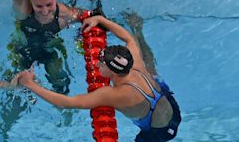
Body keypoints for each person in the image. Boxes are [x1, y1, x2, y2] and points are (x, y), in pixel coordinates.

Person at [18, 15, 181, 141]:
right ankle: (139, 28)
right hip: (170, 104)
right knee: (150, 68)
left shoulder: (114, 94)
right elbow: (129, 38)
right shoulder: (134, 62)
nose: (96, 65)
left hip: (157, 130)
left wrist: (29, 84)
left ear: (114, 72)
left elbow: (65, 102)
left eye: (101, 64)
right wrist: (101, 19)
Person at [4, 0, 83, 94]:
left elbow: (89, 17)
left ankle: (64, 113)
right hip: (22, 48)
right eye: (39, 6)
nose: (45, 11)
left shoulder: (65, 14)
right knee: (13, 85)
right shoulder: (23, 5)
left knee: (60, 82)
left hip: (51, 50)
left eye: (49, 5)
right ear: (31, 1)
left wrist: (81, 36)